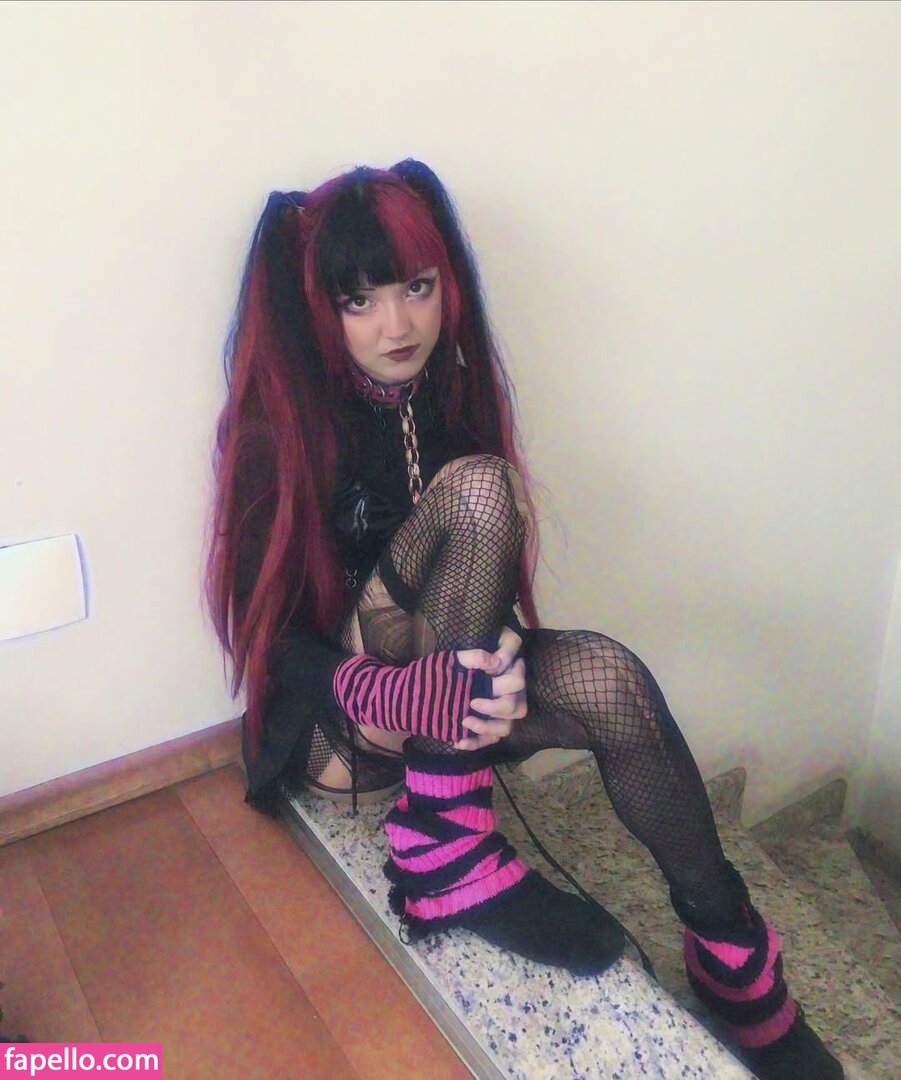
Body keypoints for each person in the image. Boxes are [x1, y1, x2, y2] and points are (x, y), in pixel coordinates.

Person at [206, 160, 843, 1079]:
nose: (397, 325)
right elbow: (268, 643)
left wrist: (494, 647)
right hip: (335, 729)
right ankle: (445, 853)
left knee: (612, 679)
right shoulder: (281, 428)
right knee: (480, 488)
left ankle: (730, 952)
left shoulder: (448, 396)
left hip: (439, 711)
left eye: (416, 288)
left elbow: (467, 592)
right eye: (360, 301)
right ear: (322, 311)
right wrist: (379, 686)